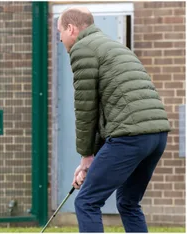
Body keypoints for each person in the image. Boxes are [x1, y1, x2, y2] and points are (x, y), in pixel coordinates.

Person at [57, 7, 171, 233]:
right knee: (128, 203)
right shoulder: (114, 47)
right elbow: (106, 109)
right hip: (156, 136)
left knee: (86, 201)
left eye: (59, 32)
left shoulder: (83, 49)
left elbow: (86, 107)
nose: (59, 38)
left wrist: (87, 156)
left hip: (131, 136)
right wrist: (88, 161)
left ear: (71, 29)